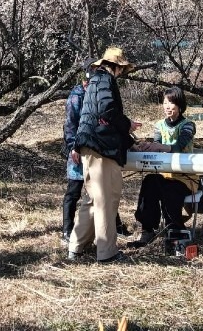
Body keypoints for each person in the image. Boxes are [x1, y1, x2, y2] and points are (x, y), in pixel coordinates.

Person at [68, 46, 141, 264]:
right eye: (122, 68)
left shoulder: (95, 81)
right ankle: (107, 252)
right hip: (101, 147)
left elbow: (96, 114)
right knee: (106, 200)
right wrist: (127, 124)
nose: (123, 73)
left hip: (90, 145)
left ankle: (77, 246)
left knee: (92, 199)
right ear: (116, 67)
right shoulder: (105, 80)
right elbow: (108, 110)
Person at [61, 57, 129, 243]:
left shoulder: (99, 88)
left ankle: (116, 226)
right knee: (76, 191)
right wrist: (72, 147)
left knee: (98, 193)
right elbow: (70, 125)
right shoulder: (77, 96)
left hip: (94, 145)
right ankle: (67, 230)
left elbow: (108, 119)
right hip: (79, 148)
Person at [134, 86, 197, 244]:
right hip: (164, 174)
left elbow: (178, 146)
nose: (168, 106)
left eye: (172, 103)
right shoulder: (159, 125)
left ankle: (174, 230)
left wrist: (158, 146)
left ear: (180, 105)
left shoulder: (188, 125)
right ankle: (147, 229)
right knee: (149, 181)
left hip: (185, 177)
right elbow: (156, 148)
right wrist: (145, 147)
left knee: (170, 189)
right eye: (165, 102)